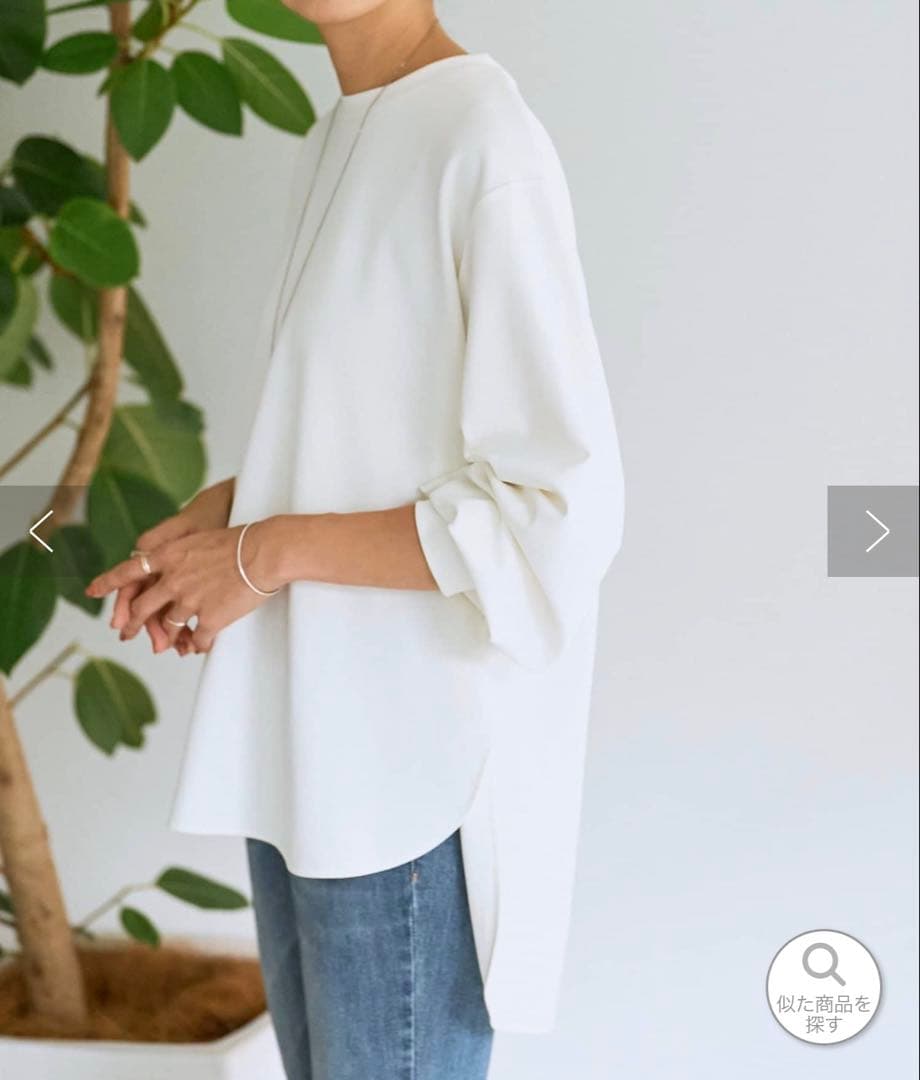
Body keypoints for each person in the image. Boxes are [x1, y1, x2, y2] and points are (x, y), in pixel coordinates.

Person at [86, 0, 625, 1076]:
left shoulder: (480, 135)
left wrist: (263, 554)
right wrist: (226, 522)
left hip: (409, 778)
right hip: (315, 749)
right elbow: (380, 440)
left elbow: (556, 509)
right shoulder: (342, 131)